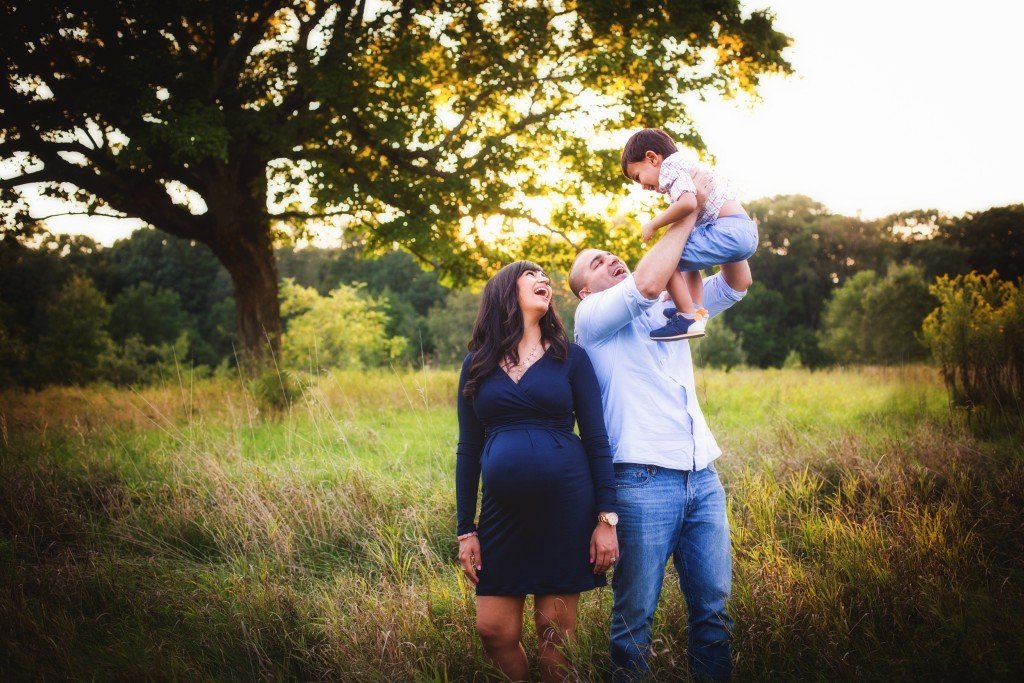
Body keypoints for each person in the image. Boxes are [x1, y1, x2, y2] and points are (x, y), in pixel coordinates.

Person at [568, 173, 752, 681]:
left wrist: (723, 216)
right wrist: (687, 213)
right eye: (596, 262)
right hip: (641, 482)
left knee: (714, 613)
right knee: (634, 622)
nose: (610, 259)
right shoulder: (594, 318)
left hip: (702, 475)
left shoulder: (670, 304)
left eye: (611, 253)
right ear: (585, 287)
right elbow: (646, 280)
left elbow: (737, 284)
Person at [455, 260, 619, 682]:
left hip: (566, 508)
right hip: (501, 516)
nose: (544, 280)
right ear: (506, 291)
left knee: (554, 633)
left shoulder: (572, 358)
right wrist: (465, 529)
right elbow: (469, 449)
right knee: (493, 629)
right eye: (532, 275)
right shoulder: (476, 363)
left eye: (546, 277)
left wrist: (606, 517)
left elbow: (598, 440)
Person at [621, 127, 758, 341]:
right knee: (684, 253)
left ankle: (688, 317)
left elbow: (688, 203)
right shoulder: (683, 166)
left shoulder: (669, 168)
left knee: (667, 260)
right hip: (743, 230)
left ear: (652, 158)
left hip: (727, 231)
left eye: (638, 177)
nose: (643, 187)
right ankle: (695, 312)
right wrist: (677, 290)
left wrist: (653, 224)